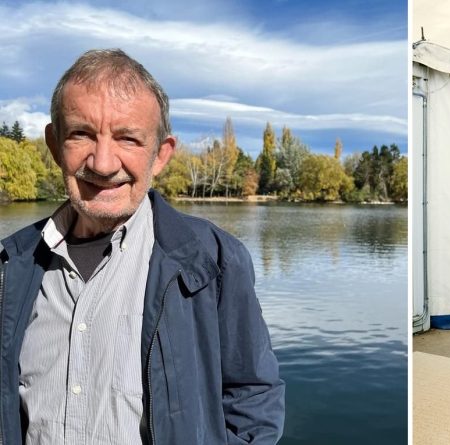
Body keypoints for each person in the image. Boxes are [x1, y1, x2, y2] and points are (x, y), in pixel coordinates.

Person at [0, 49, 285, 444]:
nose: (102, 163)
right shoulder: (9, 265)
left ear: (161, 154)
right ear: (54, 143)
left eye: (127, 138)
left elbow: (254, 401)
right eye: (81, 134)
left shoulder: (214, 262)